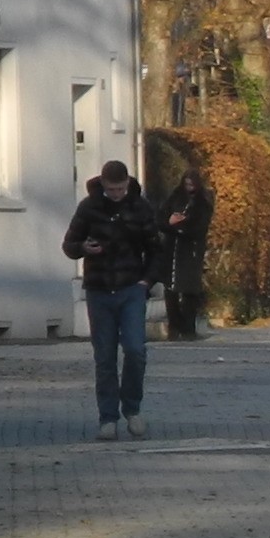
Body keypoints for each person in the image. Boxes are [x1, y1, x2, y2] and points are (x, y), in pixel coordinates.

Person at [61, 159, 165, 439]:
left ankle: (132, 408)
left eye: (120, 189)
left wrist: (147, 281)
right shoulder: (89, 207)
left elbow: (156, 249)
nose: (116, 194)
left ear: (127, 183)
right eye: (111, 189)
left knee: (135, 350)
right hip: (98, 289)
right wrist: (83, 247)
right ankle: (108, 417)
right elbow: (68, 245)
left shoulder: (140, 207)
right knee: (104, 357)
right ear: (103, 185)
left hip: (132, 287)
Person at [159, 159, 214, 337]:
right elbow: (161, 219)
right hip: (172, 248)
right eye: (186, 183)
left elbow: (201, 226)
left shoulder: (203, 202)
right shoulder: (175, 197)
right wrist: (170, 223)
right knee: (171, 288)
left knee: (190, 289)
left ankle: (188, 327)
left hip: (191, 249)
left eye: (192, 184)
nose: (189, 187)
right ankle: (175, 326)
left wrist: (182, 227)